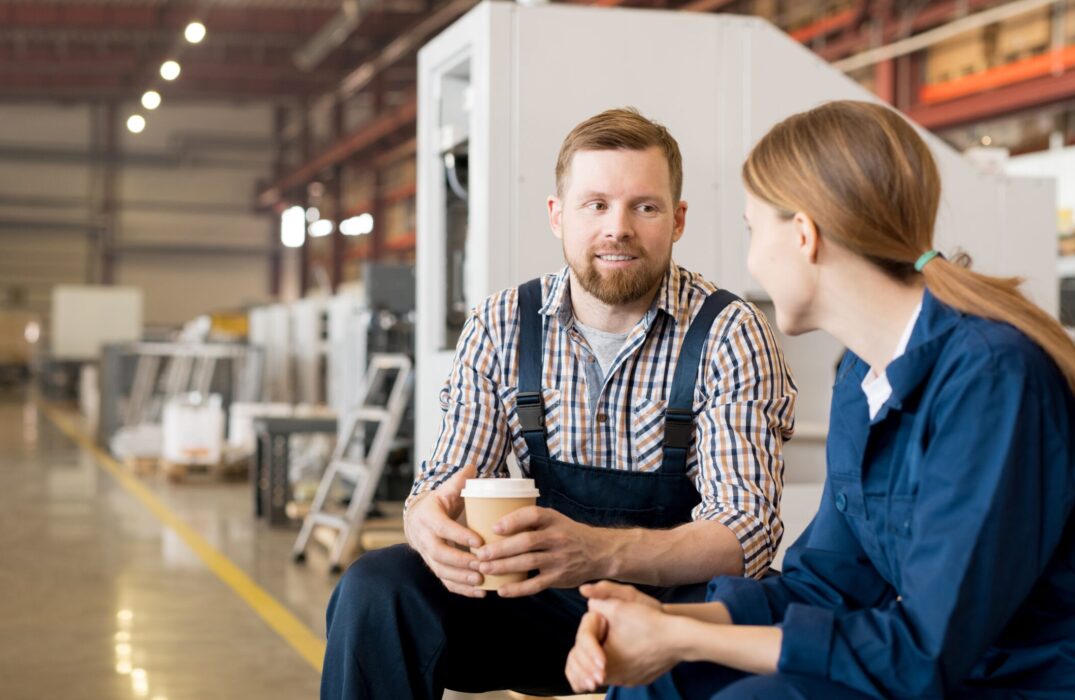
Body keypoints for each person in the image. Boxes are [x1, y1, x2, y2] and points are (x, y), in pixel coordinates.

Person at [563, 100, 1075, 699]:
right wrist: (666, 621)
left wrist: (684, 636)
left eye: (754, 231)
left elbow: (924, 652)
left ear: (805, 235)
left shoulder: (992, 376)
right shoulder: (862, 376)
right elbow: (830, 584)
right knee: (660, 681)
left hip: (1070, 675)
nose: (752, 263)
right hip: (973, 663)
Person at [321, 107, 797, 699]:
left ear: (677, 220)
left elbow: (747, 532)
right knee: (376, 587)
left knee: (760, 607)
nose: (617, 228)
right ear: (557, 215)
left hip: (668, 611)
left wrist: (598, 552)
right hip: (530, 606)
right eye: (595, 205)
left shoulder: (728, 331)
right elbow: (448, 475)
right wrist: (424, 521)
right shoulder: (502, 323)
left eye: (644, 207)